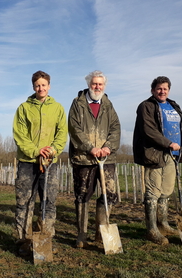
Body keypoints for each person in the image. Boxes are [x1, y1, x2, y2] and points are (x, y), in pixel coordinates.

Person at [12, 70, 68, 256]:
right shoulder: (24, 108)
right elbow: (20, 136)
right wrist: (36, 151)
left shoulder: (58, 108)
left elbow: (62, 133)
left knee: (49, 202)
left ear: (49, 86)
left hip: (50, 162)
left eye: (44, 85)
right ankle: (23, 239)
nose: (40, 88)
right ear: (33, 87)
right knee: (24, 202)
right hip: (28, 162)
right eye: (37, 85)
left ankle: (45, 238)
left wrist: (52, 150)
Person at [133, 76, 182, 245]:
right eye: (159, 88)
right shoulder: (147, 106)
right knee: (153, 192)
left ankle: (163, 223)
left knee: (166, 191)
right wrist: (168, 143)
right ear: (153, 90)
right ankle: (151, 229)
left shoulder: (174, 106)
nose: (162, 91)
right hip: (154, 154)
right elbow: (148, 130)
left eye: (165, 88)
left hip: (173, 155)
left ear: (169, 90)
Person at [68, 70, 121, 248]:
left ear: (104, 86)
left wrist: (108, 147)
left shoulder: (108, 104)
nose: (97, 87)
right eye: (94, 83)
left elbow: (115, 128)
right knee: (83, 196)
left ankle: (101, 233)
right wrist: (90, 148)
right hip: (84, 158)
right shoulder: (78, 104)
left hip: (106, 158)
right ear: (89, 84)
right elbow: (75, 129)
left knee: (110, 194)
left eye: (100, 84)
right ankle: (82, 234)